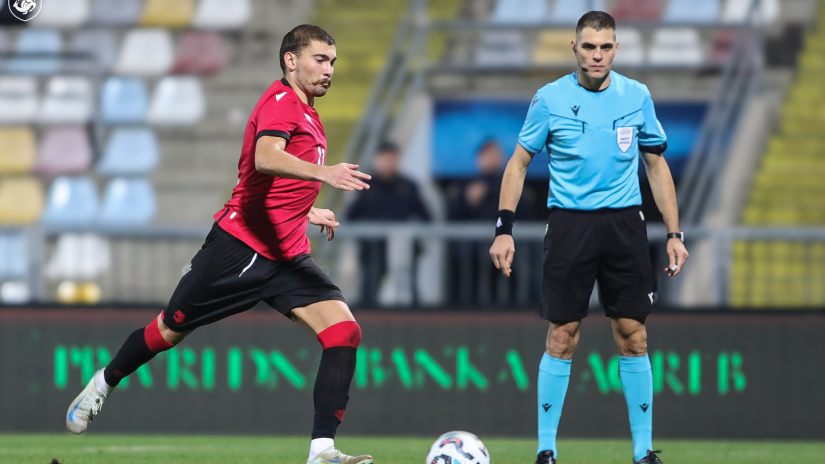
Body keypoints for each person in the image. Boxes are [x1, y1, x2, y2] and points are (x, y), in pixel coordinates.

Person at [65, 24, 375, 464]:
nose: (329, 70)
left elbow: (266, 184)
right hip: (239, 250)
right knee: (168, 330)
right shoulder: (281, 103)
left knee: (344, 331)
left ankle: (321, 450)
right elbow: (265, 158)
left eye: (333, 62)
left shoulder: (308, 112)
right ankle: (104, 381)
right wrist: (326, 174)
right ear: (291, 60)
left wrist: (307, 210)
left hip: (287, 256)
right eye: (320, 59)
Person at [488, 11, 689, 464]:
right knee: (562, 335)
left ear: (616, 49)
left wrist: (674, 233)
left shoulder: (637, 96)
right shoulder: (549, 99)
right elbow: (518, 163)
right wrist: (504, 229)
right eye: (589, 47)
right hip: (570, 225)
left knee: (633, 334)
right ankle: (546, 449)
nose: (597, 55)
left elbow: (656, 165)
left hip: (625, 226)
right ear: (574, 49)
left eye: (605, 47)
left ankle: (643, 452)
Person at [346, 141, 431, 306]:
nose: (390, 163)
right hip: (372, 250)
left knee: (408, 290)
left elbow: (425, 216)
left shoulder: (409, 186)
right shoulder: (364, 185)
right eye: (386, 158)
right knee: (369, 291)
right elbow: (351, 216)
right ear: (376, 160)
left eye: (393, 159)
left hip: (405, 251)